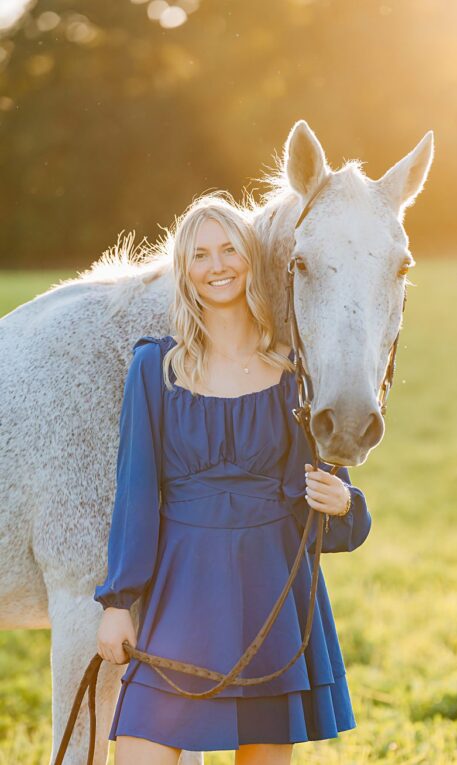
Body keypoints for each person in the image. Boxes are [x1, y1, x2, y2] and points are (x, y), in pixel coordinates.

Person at [94, 195, 372, 764]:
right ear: (184, 270)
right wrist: (119, 602)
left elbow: (316, 505)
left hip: (271, 598)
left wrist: (344, 503)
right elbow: (137, 494)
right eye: (199, 255)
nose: (216, 265)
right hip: (182, 598)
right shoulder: (155, 368)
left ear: (250, 258)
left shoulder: (296, 373)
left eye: (228, 250)